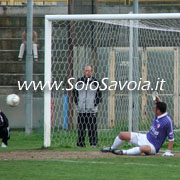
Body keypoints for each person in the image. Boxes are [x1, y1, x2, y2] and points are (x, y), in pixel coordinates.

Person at [101, 93, 174, 156]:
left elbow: (171, 138)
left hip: (153, 147)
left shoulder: (167, 121)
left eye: (155, 108)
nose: (153, 109)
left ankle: (123, 152)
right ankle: (112, 148)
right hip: (145, 137)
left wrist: (168, 151)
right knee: (122, 134)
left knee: (143, 148)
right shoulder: (159, 113)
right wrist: (156, 97)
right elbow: (161, 104)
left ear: (158, 111)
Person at [73, 66, 102, 147]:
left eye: (89, 71)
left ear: (92, 72)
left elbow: (99, 95)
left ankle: (93, 143)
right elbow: (74, 92)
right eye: (86, 71)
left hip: (91, 110)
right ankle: (80, 144)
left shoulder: (96, 82)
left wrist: (94, 104)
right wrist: (77, 103)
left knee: (92, 128)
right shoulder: (79, 81)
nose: (87, 72)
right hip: (81, 109)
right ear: (84, 71)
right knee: (81, 128)